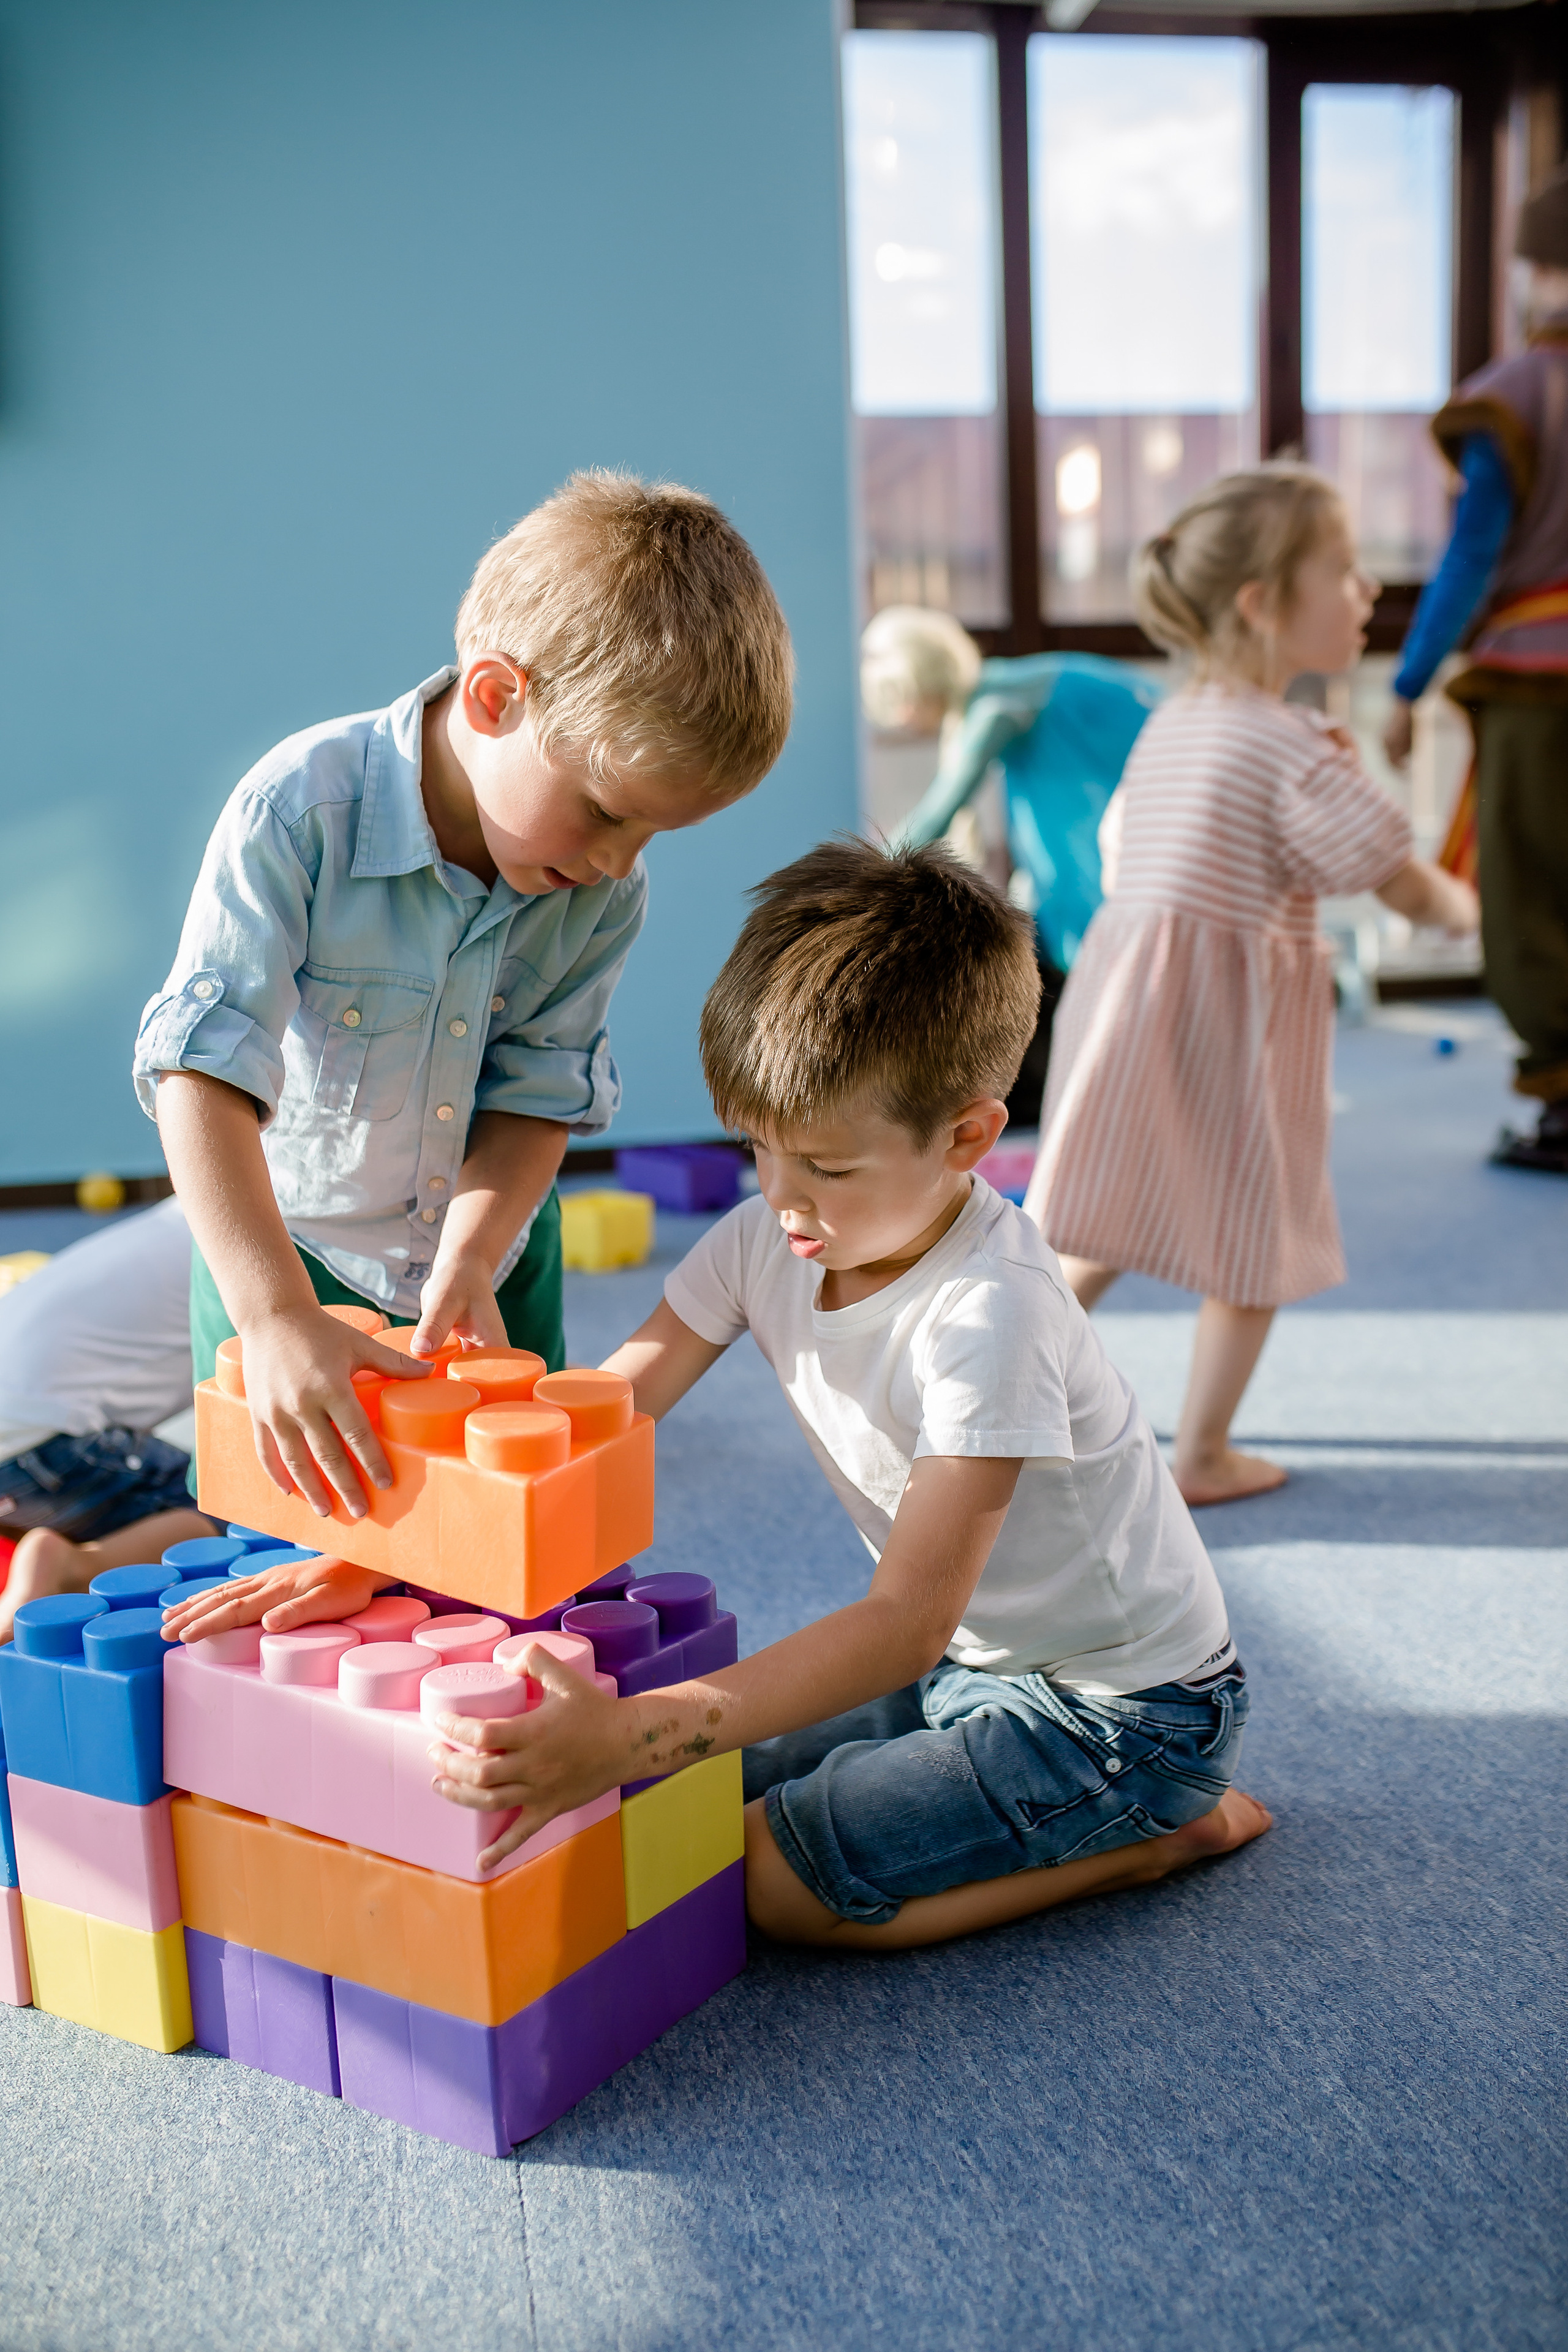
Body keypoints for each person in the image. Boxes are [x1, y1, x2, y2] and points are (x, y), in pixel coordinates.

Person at [166, 840, 1270, 1955]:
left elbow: (902, 1623)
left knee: (772, 1884)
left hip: (1122, 1716)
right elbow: (584, 1426)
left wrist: (634, 1733)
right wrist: (384, 1551)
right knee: (688, 1799)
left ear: (970, 1136)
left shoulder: (993, 1317)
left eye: (829, 1169)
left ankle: (1157, 1835)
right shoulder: (767, 1241)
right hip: (973, 1670)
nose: (783, 1200)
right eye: (758, 1150)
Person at [134, 473, 793, 1525]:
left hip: (494, 1262)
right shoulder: (299, 813)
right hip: (295, 1262)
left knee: (509, 1551)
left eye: (653, 836)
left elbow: (539, 1090)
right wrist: (271, 1315)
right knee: (285, 1552)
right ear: (497, 698)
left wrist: (475, 1255)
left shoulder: (595, 891)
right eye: (605, 812)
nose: (621, 860)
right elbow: (200, 1071)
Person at [1025, 466, 1478, 1507]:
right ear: (1263, 604)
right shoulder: (1295, 743)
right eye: (1346, 572)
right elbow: (1388, 875)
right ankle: (1206, 1453)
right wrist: (1461, 910)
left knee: (1098, 1211)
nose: (1369, 592)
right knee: (1253, 1232)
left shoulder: (1177, 719)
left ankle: (988, 1386)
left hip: (1125, 992)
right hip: (1221, 1017)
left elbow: (1122, 840)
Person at [1382, 165, 1568, 1175]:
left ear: (1535, 271)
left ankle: (1563, 1100)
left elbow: (1471, 559)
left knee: (1531, 886)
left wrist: (1409, 684)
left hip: (1538, 688)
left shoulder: (1513, 400)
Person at [861, 607, 1163, 1123]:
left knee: (1072, 943)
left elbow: (942, 807)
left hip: (1122, 847)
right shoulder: (1017, 688)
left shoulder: (997, 707)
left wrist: (857, 880)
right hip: (1114, 827)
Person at [0, 1197, 217, 1641]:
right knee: (229, 1509)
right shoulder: (270, 1245)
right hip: (42, 1446)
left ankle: (40, 1539)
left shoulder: (187, 1210)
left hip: (19, 1443)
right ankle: (78, 1567)